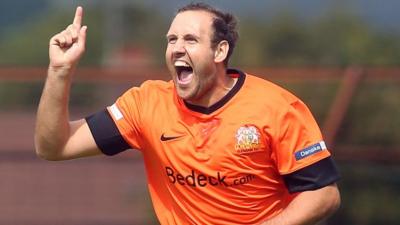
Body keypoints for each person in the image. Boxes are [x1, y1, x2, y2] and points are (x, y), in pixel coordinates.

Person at [35, 2, 341, 225]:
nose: (177, 48)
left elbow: (324, 194)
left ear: (220, 51)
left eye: (190, 40)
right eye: (172, 40)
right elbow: (54, 146)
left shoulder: (278, 108)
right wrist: (60, 71)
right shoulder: (145, 104)